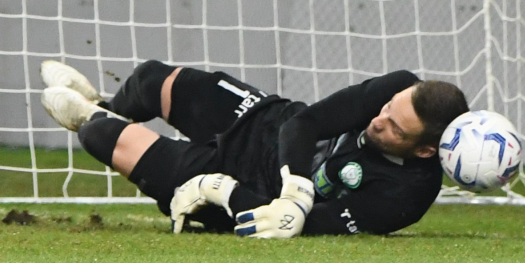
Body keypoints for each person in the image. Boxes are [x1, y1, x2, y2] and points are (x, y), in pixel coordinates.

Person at [38, 58, 470, 237]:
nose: (379, 119)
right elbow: (306, 123)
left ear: (423, 151)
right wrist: (298, 187)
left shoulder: (406, 196)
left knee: (99, 138)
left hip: (250, 186)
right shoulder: (398, 86)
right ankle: (105, 107)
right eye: (388, 109)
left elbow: (302, 226)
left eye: (395, 128)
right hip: (267, 124)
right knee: (151, 80)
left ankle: (93, 117)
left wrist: (225, 192)